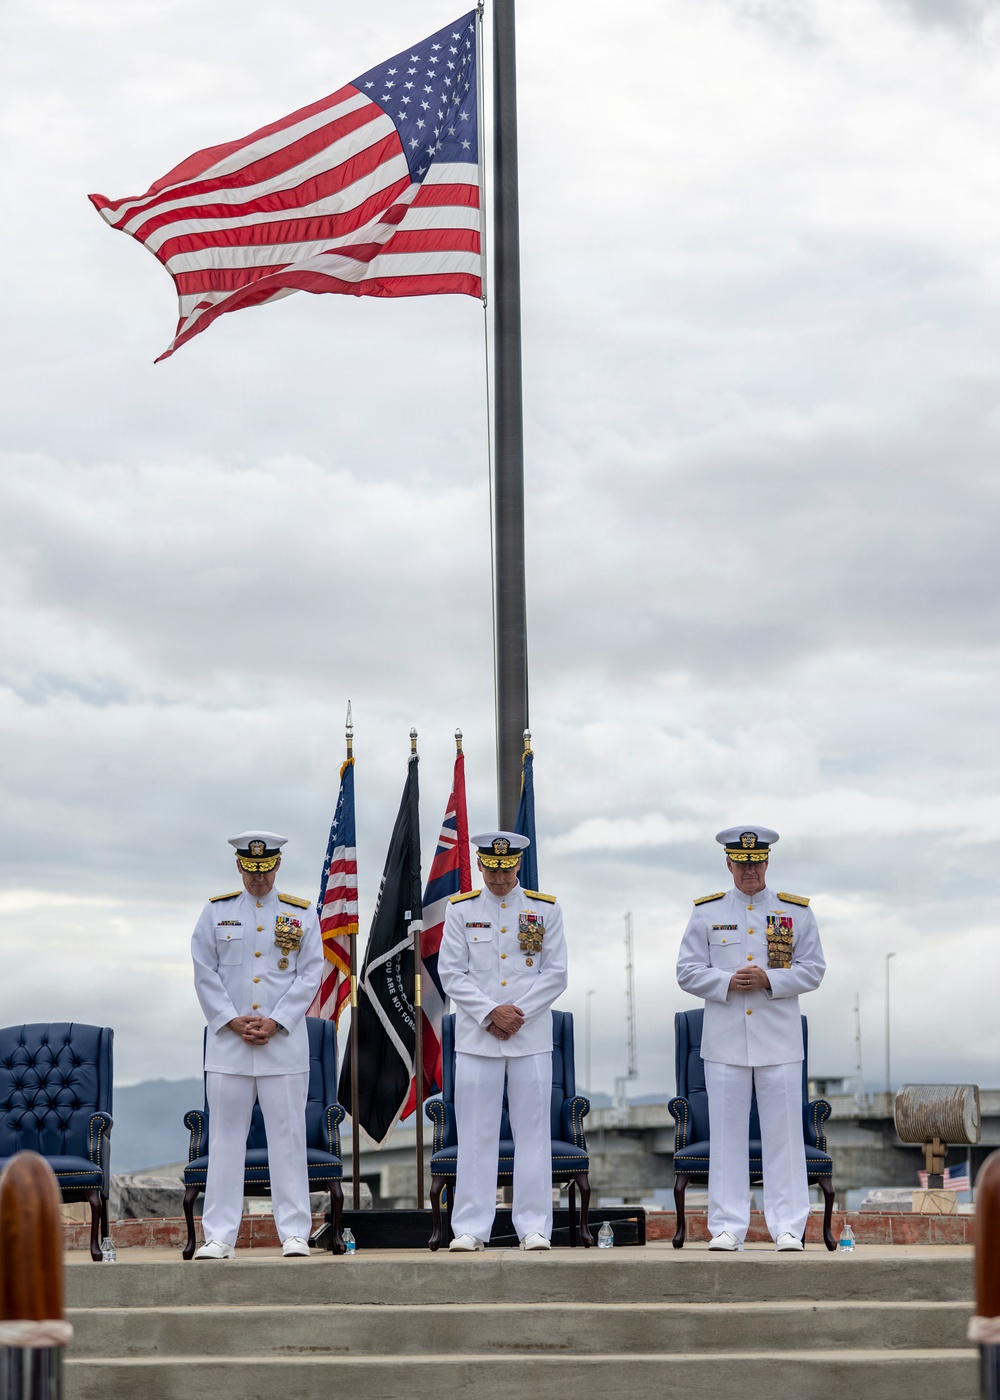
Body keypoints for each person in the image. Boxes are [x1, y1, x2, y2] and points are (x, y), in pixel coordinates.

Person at [676, 826, 825, 1252]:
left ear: (767, 862)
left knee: (785, 1137)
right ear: (728, 864)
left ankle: (788, 1227)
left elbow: (813, 969)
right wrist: (727, 981)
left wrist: (770, 979)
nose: (749, 869)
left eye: (756, 861)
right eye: (741, 862)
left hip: (778, 1039)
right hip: (724, 1041)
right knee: (726, 1137)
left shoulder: (795, 912)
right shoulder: (706, 912)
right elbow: (686, 971)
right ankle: (727, 1226)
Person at [190, 830, 323, 1259]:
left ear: (277, 865)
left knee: (288, 1138)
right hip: (229, 1046)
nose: (258, 879)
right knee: (225, 1140)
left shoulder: (301, 914)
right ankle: (219, 1236)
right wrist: (230, 1020)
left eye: (265, 870)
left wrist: (276, 1021)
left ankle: (295, 1233)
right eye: (251, 870)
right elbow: (203, 969)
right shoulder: (216, 912)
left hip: (281, 1046)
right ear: (240, 866)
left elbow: (310, 973)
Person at [438, 831, 568, 1252]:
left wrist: (516, 1015)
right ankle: (471, 1228)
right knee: (475, 1134)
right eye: (491, 868)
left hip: (529, 1039)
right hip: (478, 1039)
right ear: (480, 865)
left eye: (506, 868)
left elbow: (556, 974)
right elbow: (451, 972)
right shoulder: (461, 910)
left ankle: (534, 1227)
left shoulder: (545, 909)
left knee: (533, 1134)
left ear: (518, 866)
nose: (498, 876)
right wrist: (491, 1012)